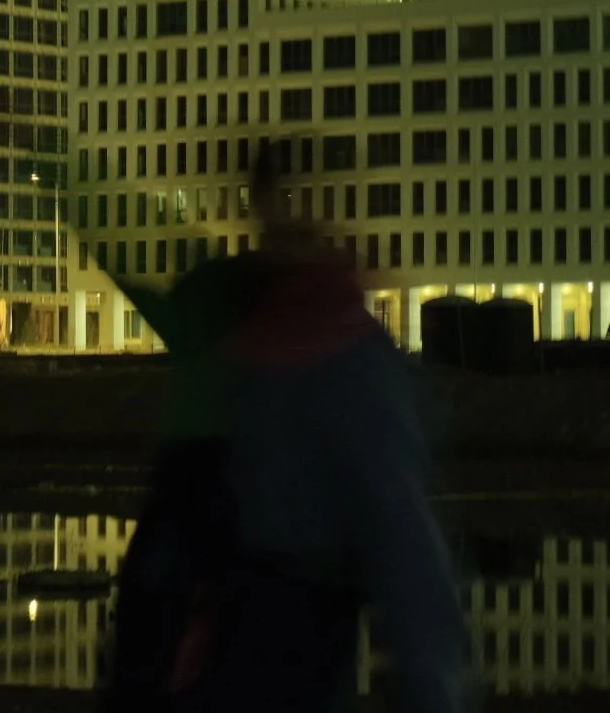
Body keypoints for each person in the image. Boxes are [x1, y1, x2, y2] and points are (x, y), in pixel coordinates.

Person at [101, 142, 472, 712]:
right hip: (296, 633)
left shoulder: (252, 343)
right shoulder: (344, 355)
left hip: (242, 630)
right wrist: (431, 683)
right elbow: (400, 534)